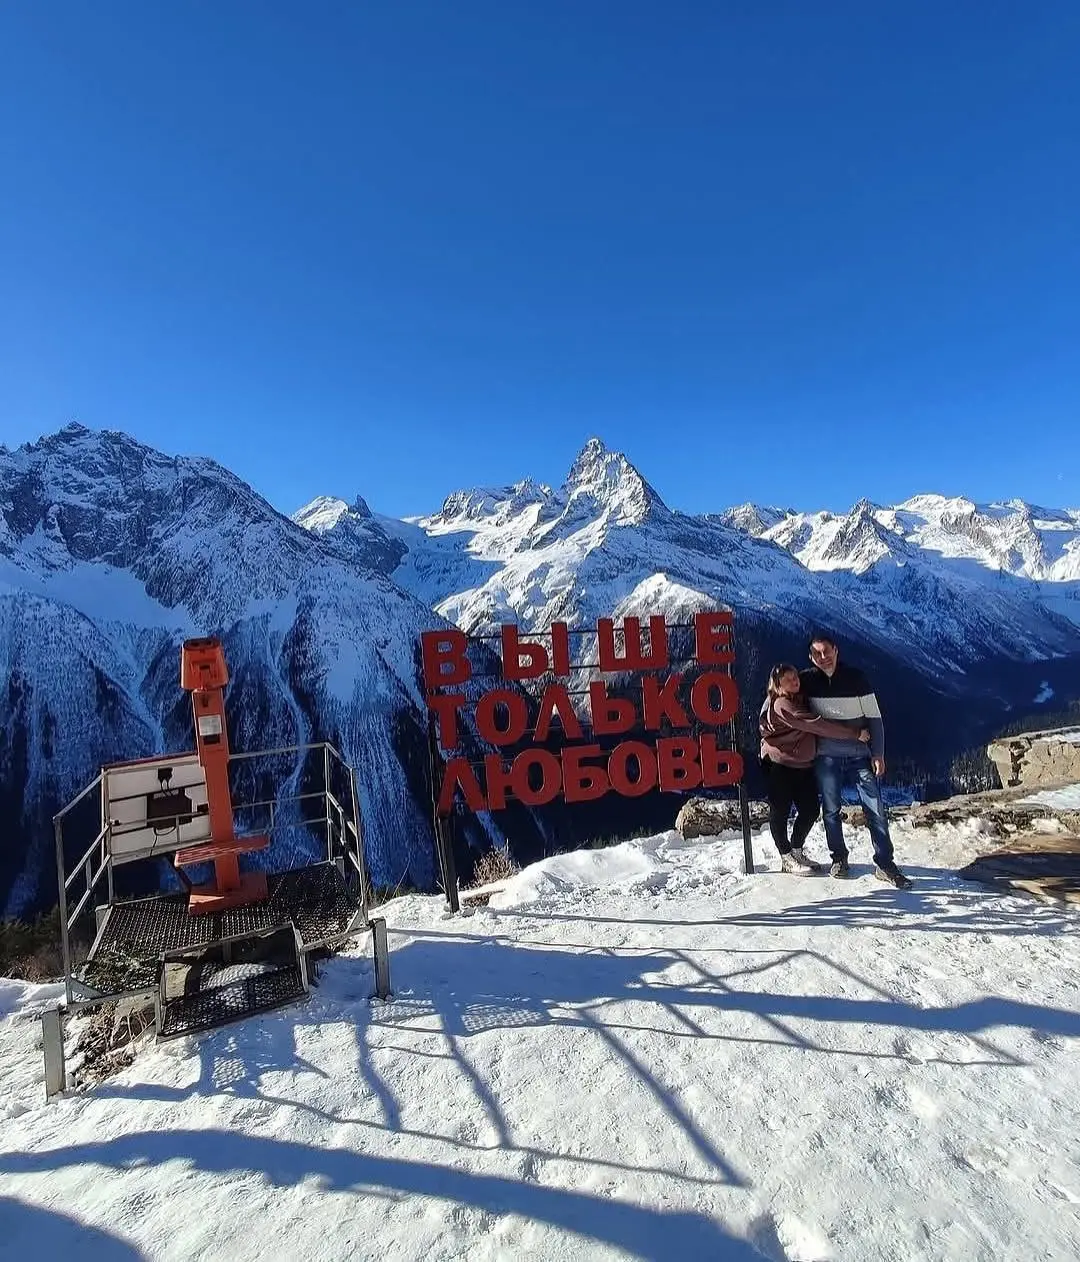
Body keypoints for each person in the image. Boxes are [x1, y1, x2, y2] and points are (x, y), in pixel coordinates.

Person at [799, 632, 912, 888]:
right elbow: (781, 698)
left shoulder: (856, 678)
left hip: (859, 754)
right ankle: (839, 858)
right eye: (817, 653)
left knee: (875, 809)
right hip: (826, 756)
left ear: (836, 650)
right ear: (811, 657)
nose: (823, 657)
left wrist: (878, 753)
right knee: (831, 810)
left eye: (826, 651)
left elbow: (874, 718)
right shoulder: (806, 681)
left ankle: (885, 863)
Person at [759, 663, 871, 875]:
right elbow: (816, 725)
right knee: (780, 811)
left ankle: (796, 849)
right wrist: (854, 734)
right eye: (787, 680)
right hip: (779, 766)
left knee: (810, 809)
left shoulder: (799, 697)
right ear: (778, 686)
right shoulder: (783, 704)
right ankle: (786, 856)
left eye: (794, 676)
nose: (794, 681)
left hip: (803, 765)